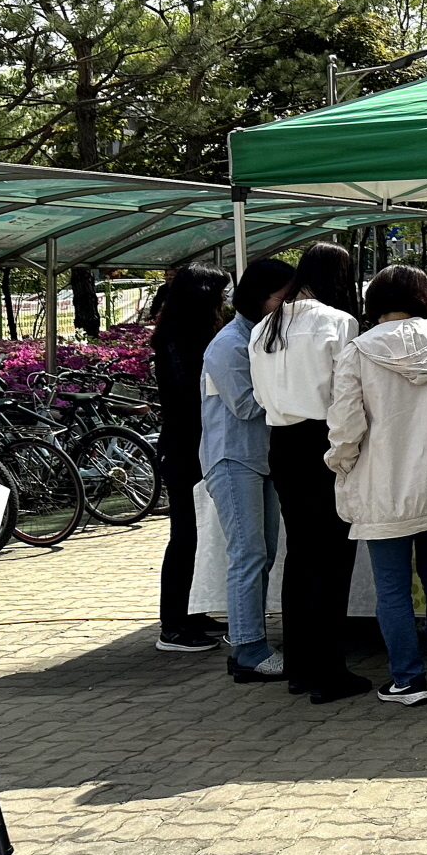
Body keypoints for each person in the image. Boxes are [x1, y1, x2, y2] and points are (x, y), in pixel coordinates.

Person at [327, 266, 427, 707]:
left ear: (374, 302)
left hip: (384, 487)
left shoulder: (358, 351)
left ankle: (408, 680)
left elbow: (345, 426)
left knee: (392, 586)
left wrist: (340, 465)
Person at [249, 243, 367, 704]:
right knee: (333, 558)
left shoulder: (264, 327)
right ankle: (329, 671)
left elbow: (261, 397)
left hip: (282, 442)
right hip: (324, 441)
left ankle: (300, 666)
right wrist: (347, 452)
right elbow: (347, 397)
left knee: (300, 556)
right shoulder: (339, 322)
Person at [201, 256, 296, 682]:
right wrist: (296, 391)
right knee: (248, 554)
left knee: (265, 553)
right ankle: (248, 648)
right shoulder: (228, 344)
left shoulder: (261, 336)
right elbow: (243, 405)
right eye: (281, 298)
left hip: (261, 460)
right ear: (259, 297)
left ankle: (250, 641)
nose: (287, 307)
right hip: (233, 459)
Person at [152, 264, 232, 654]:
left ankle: (192, 611)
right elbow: (190, 398)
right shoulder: (180, 339)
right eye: (220, 294)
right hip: (185, 447)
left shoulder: (186, 334)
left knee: (198, 532)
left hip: (191, 443)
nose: (224, 301)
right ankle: (172, 625)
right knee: (185, 535)